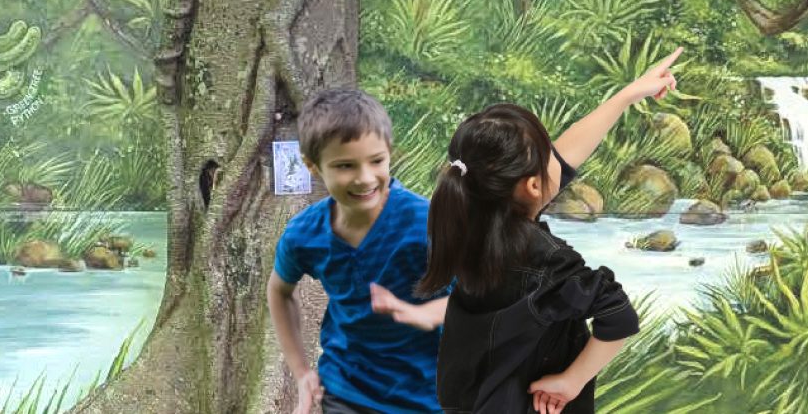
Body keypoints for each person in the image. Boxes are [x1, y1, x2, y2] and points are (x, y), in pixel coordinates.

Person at [383, 48, 682, 413]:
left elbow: (561, 159)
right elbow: (619, 316)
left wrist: (627, 96)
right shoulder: (547, 260)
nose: (558, 158)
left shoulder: (465, 219)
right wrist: (571, 381)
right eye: (546, 155)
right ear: (533, 186)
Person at [267, 89, 450, 414]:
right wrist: (302, 372)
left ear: (389, 152)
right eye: (345, 166)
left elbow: (477, 298)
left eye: (376, 161)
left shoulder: (428, 222)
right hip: (345, 393)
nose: (364, 178)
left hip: (426, 398)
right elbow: (279, 291)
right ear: (312, 167)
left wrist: (424, 315)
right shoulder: (304, 234)